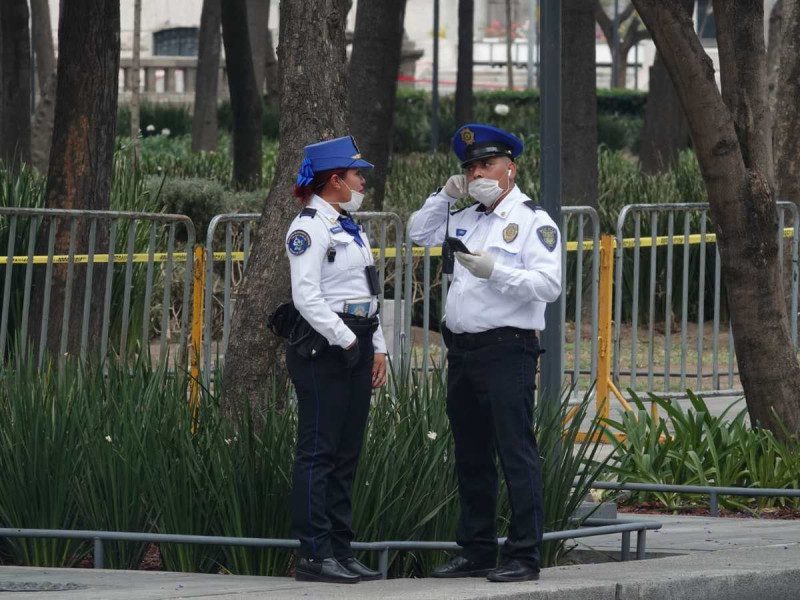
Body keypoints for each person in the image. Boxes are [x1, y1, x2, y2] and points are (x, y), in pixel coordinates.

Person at [408, 123, 562, 582]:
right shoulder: (467, 216)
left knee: (515, 452)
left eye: (486, 164)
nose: (477, 173)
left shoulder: (534, 220)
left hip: (507, 349)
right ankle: (476, 550)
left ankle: (524, 555)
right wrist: (444, 193)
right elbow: (420, 234)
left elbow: (549, 286)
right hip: (464, 351)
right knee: (470, 453)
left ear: (510, 169)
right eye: (470, 167)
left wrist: (495, 271)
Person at [284, 136, 388, 584]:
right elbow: (306, 295)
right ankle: (314, 554)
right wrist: (347, 341)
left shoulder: (349, 226)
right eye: (356, 175)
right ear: (334, 181)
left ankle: (341, 550)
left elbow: (366, 292)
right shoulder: (308, 228)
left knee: (346, 453)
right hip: (325, 346)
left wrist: (377, 345)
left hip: (356, 339)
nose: (361, 181)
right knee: (319, 451)